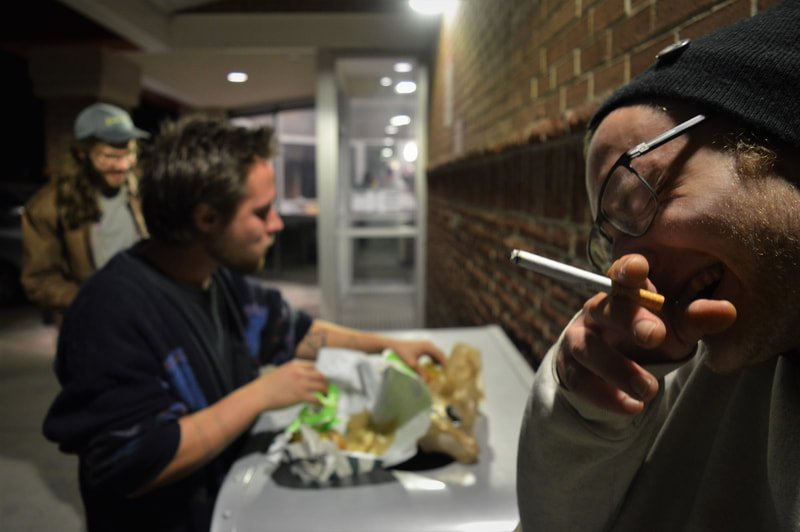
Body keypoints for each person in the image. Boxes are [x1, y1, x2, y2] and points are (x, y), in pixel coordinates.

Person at [42, 115, 446, 532]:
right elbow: (134, 462)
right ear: (206, 218)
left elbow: (294, 332)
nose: (277, 224)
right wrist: (260, 395)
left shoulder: (216, 280)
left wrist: (387, 346)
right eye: (261, 212)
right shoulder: (110, 312)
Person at [516, 2, 800, 531]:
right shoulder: (693, 368)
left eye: (636, 195)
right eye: (611, 238)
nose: (628, 263)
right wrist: (586, 412)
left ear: (774, 133)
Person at [20, 102, 149, 325]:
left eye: (128, 153)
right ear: (82, 153)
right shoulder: (48, 206)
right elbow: (38, 280)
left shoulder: (144, 190)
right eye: (109, 156)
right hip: (93, 323)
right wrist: (92, 300)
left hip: (147, 314)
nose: (122, 165)